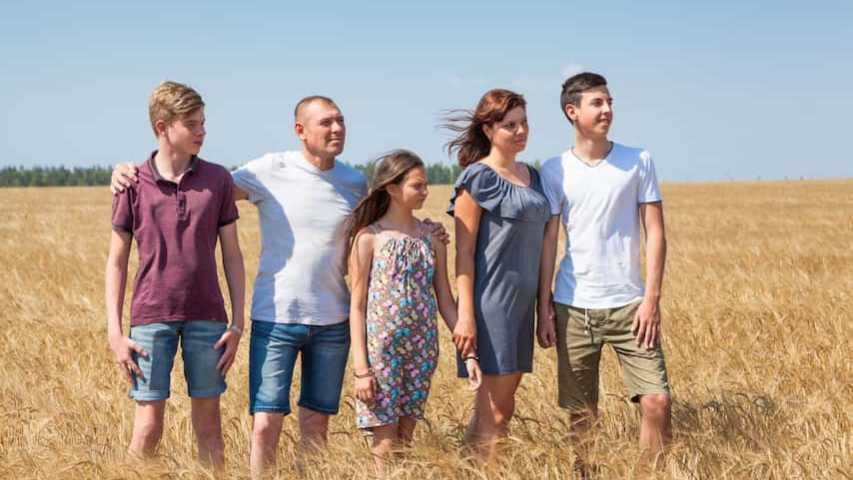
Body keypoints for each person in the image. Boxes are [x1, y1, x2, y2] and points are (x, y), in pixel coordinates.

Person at [110, 95, 448, 477]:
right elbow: (199, 184)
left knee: (315, 426)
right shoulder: (270, 169)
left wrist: (429, 229)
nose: (337, 129)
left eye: (340, 121)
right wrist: (126, 171)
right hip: (276, 317)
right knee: (265, 425)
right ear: (300, 131)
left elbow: (391, 216)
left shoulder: (354, 182)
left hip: (333, 321)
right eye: (327, 123)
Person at [104, 80, 245, 471]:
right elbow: (116, 262)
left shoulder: (218, 180)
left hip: (208, 320)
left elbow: (232, 255)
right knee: (147, 428)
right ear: (162, 127)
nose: (202, 131)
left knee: (210, 427)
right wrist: (115, 334)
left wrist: (237, 323)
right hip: (150, 318)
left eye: (203, 122)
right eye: (192, 124)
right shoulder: (132, 184)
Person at [536, 72, 672, 472]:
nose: (608, 110)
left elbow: (656, 231)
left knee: (657, 401)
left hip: (631, 305)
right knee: (582, 413)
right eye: (597, 103)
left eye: (610, 101)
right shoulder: (554, 169)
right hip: (572, 306)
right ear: (572, 111)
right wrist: (544, 305)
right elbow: (549, 241)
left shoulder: (638, 160)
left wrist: (652, 299)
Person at [346, 150, 482, 474]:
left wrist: (469, 355)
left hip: (422, 350)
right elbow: (357, 306)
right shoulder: (368, 238)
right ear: (393, 188)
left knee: (406, 436)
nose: (425, 192)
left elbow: (445, 300)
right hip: (383, 352)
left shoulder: (432, 238)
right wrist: (361, 369)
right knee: (383, 440)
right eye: (417, 186)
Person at [444, 89, 551, 462]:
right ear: (488, 129)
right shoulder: (477, 178)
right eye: (510, 125)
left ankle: (471, 469)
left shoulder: (534, 177)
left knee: (503, 408)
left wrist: (545, 307)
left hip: (524, 307)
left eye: (524, 123)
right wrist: (466, 316)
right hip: (492, 306)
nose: (521, 131)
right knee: (496, 410)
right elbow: (465, 254)